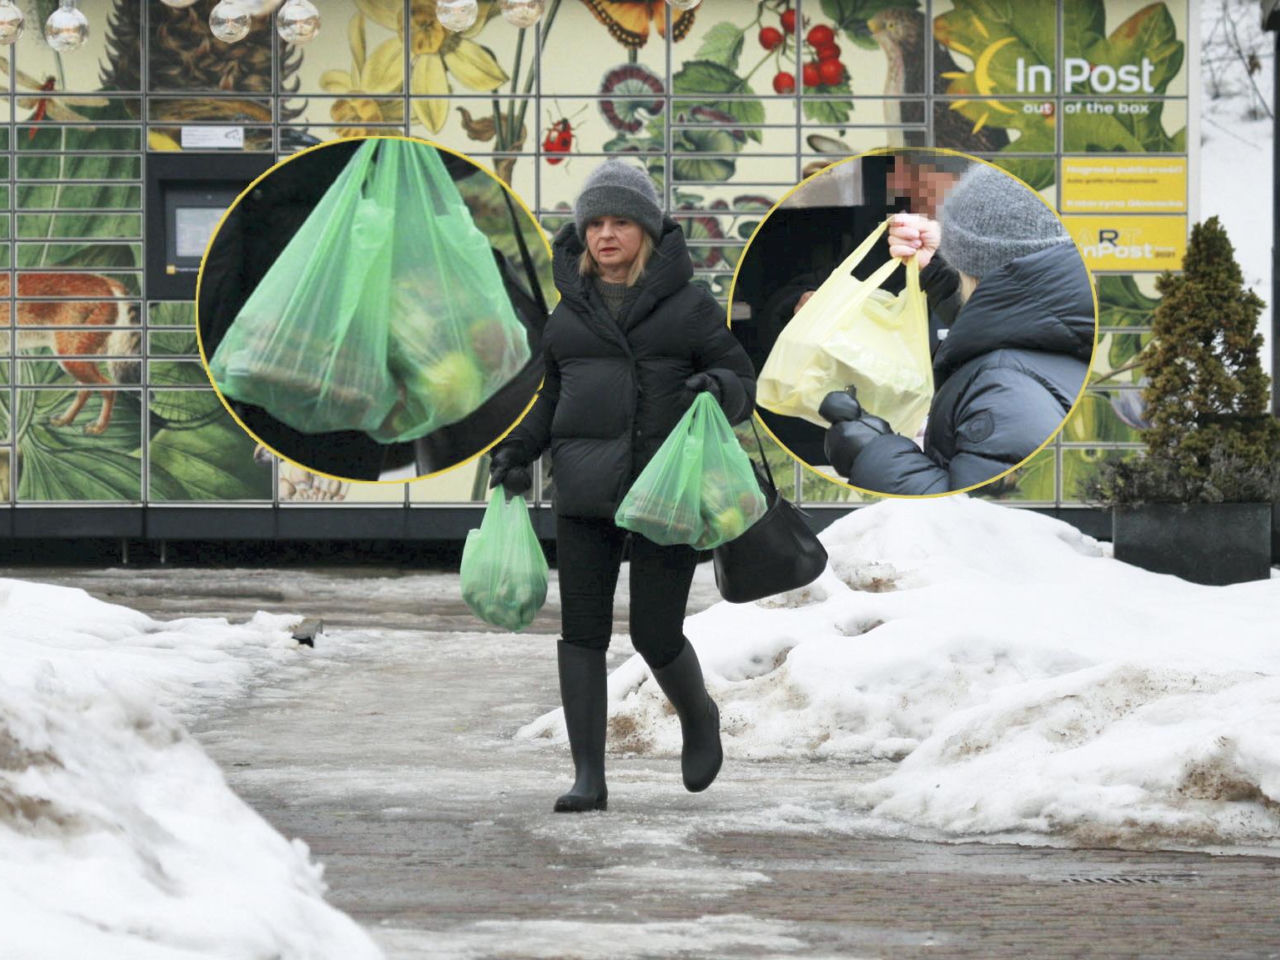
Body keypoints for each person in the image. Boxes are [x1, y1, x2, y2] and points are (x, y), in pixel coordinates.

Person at [487, 161, 757, 812]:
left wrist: (716, 389)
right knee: (581, 632)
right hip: (584, 493)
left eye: (621, 222)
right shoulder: (567, 314)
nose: (606, 235)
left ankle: (699, 716)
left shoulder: (688, 308)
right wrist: (518, 454)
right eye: (595, 224)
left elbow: (741, 382)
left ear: (647, 232)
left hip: (663, 495)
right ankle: (588, 777)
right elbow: (548, 398)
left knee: (655, 635)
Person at [820, 163, 1095, 494]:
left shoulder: (1005, 389)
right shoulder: (1060, 329)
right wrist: (942, 270)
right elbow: (1010, 319)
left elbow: (980, 518)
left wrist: (873, 452)